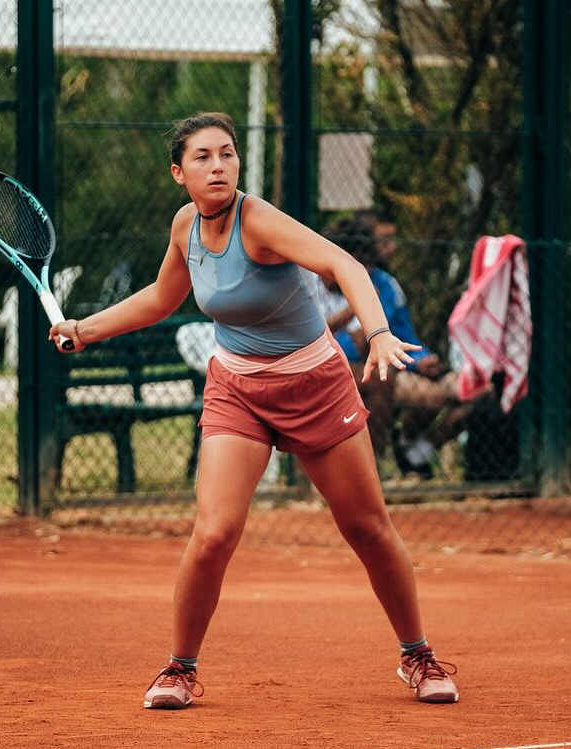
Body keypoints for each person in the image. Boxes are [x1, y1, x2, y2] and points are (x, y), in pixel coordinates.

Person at [48, 112, 459, 708]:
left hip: (314, 385)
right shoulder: (186, 226)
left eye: (227, 154)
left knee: (367, 528)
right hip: (237, 389)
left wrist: (376, 333)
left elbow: (344, 265)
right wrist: (85, 329)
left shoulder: (259, 221)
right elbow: (163, 297)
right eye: (203, 157)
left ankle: (417, 654)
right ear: (178, 173)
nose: (218, 166)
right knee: (214, 534)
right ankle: (179, 669)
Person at [319, 214, 482, 477]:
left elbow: (405, 335)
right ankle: (381, 459)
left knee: (474, 390)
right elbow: (345, 342)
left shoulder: (384, 284)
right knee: (418, 393)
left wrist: (421, 360)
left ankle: (412, 452)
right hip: (363, 369)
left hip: (396, 363)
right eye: (383, 241)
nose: (390, 248)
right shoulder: (314, 283)